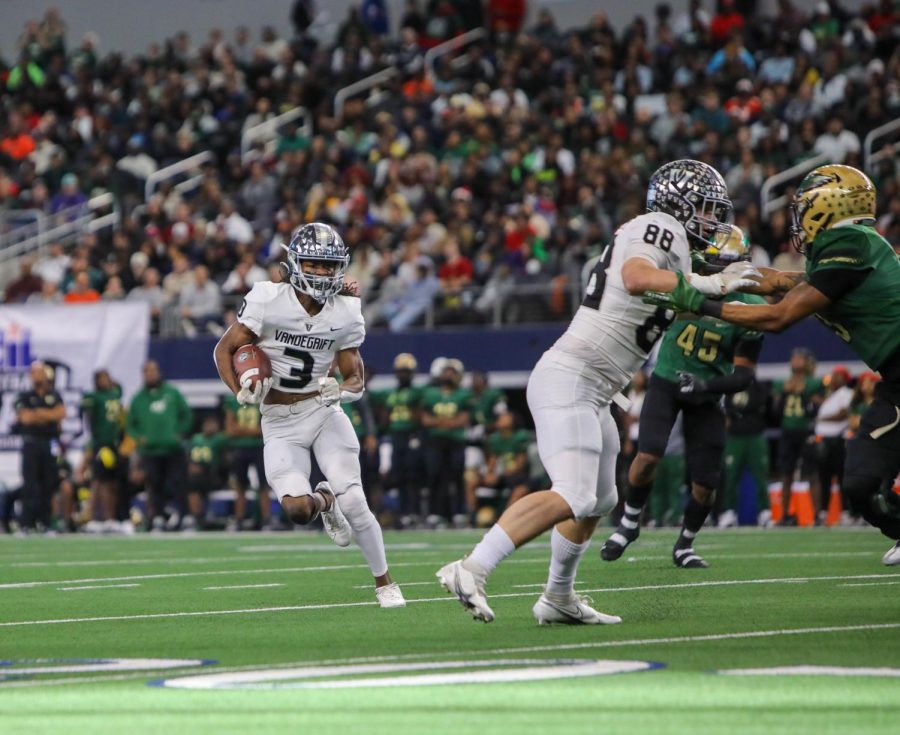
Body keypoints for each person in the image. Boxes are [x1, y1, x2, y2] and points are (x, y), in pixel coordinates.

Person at [437, 159, 756, 623]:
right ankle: (472, 568)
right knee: (573, 494)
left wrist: (758, 285)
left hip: (597, 388)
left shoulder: (678, 250)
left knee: (601, 500)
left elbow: (676, 301)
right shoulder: (657, 225)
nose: (711, 220)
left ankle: (557, 597)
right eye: (705, 209)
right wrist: (709, 283)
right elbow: (638, 278)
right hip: (574, 376)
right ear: (678, 205)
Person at [648, 164, 900, 566]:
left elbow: (778, 316)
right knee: (860, 485)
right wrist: (712, 277)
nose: (797, 220)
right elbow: (780, 281)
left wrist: (698, 302)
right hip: (894, 380)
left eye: (803, 208)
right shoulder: (847, 251)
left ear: (828, 206)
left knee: (862, 482)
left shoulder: (851, 241)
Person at [213, 222, 405, 608]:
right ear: (297, 262)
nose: (320, 272)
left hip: (321, 410)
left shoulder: (346, 311)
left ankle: (385, 582)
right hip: (279, 420)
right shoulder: (268, 299)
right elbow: (223, 350)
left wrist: (343, 392)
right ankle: (323, 501)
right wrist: (240, 393)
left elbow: (356, 378)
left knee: (355, 499)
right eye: (313, 263)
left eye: (327, 265)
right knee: (298, 511)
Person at [601, 226, 765, 568]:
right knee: (647, 456)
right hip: (667, 382)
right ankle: (630, 522)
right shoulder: (685, 283)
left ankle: (685, 544)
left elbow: (746, 373)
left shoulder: (750, 305)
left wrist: (705, 387)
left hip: (706, 393)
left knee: (706, 483)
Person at [126, 360, 193, 531]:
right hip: (150, 451)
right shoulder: (138, 399)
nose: (150, 374)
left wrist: (179, 433)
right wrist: (139, 438)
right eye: (147, 371)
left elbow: (186, 415)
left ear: (159, 373)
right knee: (154, 485)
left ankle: (184, 516)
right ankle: (157, 517)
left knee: (179, 483)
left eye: (153, 371)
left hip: (173, 448)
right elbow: (131, 425)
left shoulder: (172, 393)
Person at [772, 348, 823, 525]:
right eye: (794, 358)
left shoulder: (814, 383)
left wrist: (803, 395)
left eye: (800, 358)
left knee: (811, 473)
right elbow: (775, 412)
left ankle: (817, 515)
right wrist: (786, 394)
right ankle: (785, 515)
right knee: (786, 473)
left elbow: (816, 410)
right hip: (787, 431)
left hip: (806, 430)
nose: (796, 361)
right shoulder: (781, 383)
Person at [14, 361, 66, 532]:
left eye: (40, 372)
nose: (37, 376)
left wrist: (38, 413)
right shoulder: (25, 396)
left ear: (45, 374)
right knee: (30, 484)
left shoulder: (54, 395)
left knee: (48, 483)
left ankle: (45, 522)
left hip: (48, 444)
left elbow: (60, 414)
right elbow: (24, 418)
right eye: (34, 372)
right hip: (31, 443)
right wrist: (47, 415)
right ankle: (26, 524)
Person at [420, 359, 471, 524]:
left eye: (452, 372)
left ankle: (459, 512)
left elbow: (463, 419)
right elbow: (425, 420)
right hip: (436, 442)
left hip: (456, 442)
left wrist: (439, 422)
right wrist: (449, 422)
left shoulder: (463, 394)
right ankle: (436, 512)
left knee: (456, 476)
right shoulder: (431, 393)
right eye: (446, 371)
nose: (448, 374)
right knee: (435, 476)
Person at [373, 353, 423, 518]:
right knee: (398, 475)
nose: (402, 374)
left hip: (411, 435)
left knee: (413, 475)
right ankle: (402, 512)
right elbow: (383, 416)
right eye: (400, 371)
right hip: (395, 436)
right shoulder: (390, 393)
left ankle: (414, 511)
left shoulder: (417, 393)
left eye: (406, 371)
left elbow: (419, 416)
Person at [222, 388, 271, 531]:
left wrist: (242, 430)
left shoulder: (263, 397)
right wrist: (254, 431)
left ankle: (266, 519)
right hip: (240, 449)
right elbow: (230, 430)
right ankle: (239, 519)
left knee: (263, 485)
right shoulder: (233, 399)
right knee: (240, 486)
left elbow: (267, 427)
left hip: (258, 447)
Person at [80, 370, 125, 526]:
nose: (105, 381)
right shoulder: (93, 397)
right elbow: (87, 416)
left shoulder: (115, 393)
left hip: (114, 444)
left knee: (111, 482)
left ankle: (109, 519)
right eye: (102, 379)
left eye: (107, 378)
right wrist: (94, 444)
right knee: (99, 481)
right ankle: (92, 517)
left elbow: (119, 388)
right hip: (100, 443)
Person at [813, 365, 855, 524]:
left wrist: (823, 419)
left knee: (841, 477)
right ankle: (824, 513)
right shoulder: (831, 395)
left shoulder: (847, 393)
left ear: (844, 378)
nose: (833, 378)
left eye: (836, 375)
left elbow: (844, 413)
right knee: (824, 478)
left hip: (838, 440)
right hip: (824, 440)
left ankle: (845, 512)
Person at [187, 415, 228, 526]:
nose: (209, 427)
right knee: (191, 481)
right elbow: (189, 457)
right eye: (207, 424)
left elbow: (222, 461)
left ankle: (197, 517)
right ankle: (195, 516)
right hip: (195, 475)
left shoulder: (219, 439)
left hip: (212, 474)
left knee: (194, 482)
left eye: (212, 424)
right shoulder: (196, 438)